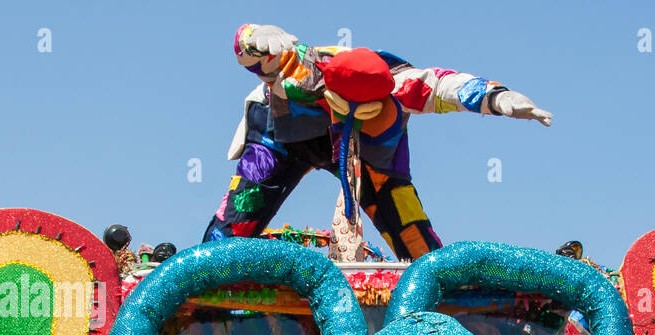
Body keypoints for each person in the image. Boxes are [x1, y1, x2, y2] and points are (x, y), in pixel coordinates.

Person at [204, 24, 552, 259]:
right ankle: (196, 275)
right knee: (237, 219)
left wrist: (497, 98)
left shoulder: (400, 86)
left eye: (364, 111)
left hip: (369, 157)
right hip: (281, 134)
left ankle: (446, 297)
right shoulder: (306, 71)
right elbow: (249, 45)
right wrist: (255, 38)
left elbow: (447, 85)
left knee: (415, 241)